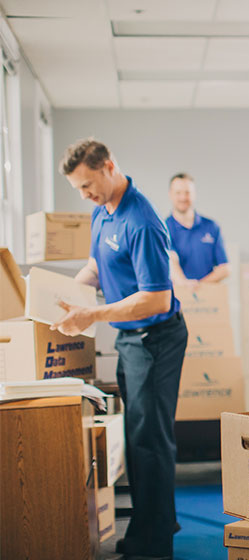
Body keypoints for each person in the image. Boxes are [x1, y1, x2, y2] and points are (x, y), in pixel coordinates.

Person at [53, 138, 188, 560]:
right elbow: (97, 265)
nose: (85, 195)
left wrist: (90, 316)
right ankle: (155, 525)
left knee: (150, 439)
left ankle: (155, 543)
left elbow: (157, 298)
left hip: (156, 337)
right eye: (78, 189)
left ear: (109, 166)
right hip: (130, 336)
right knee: (137, 436)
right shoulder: (101, 211)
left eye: (88, 184)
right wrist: (56, 295)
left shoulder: (141, 220)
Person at [165, 172, 230, 286]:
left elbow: (224, 268)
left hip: (207, 298)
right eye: (178, 193)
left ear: (194, 194)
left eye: (187, 192)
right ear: (170, 194)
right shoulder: (164, 228)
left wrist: (198, 286)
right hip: (177, 297)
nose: (183, 197)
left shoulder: (211, 226)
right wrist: (185, 286)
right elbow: (171, 261)